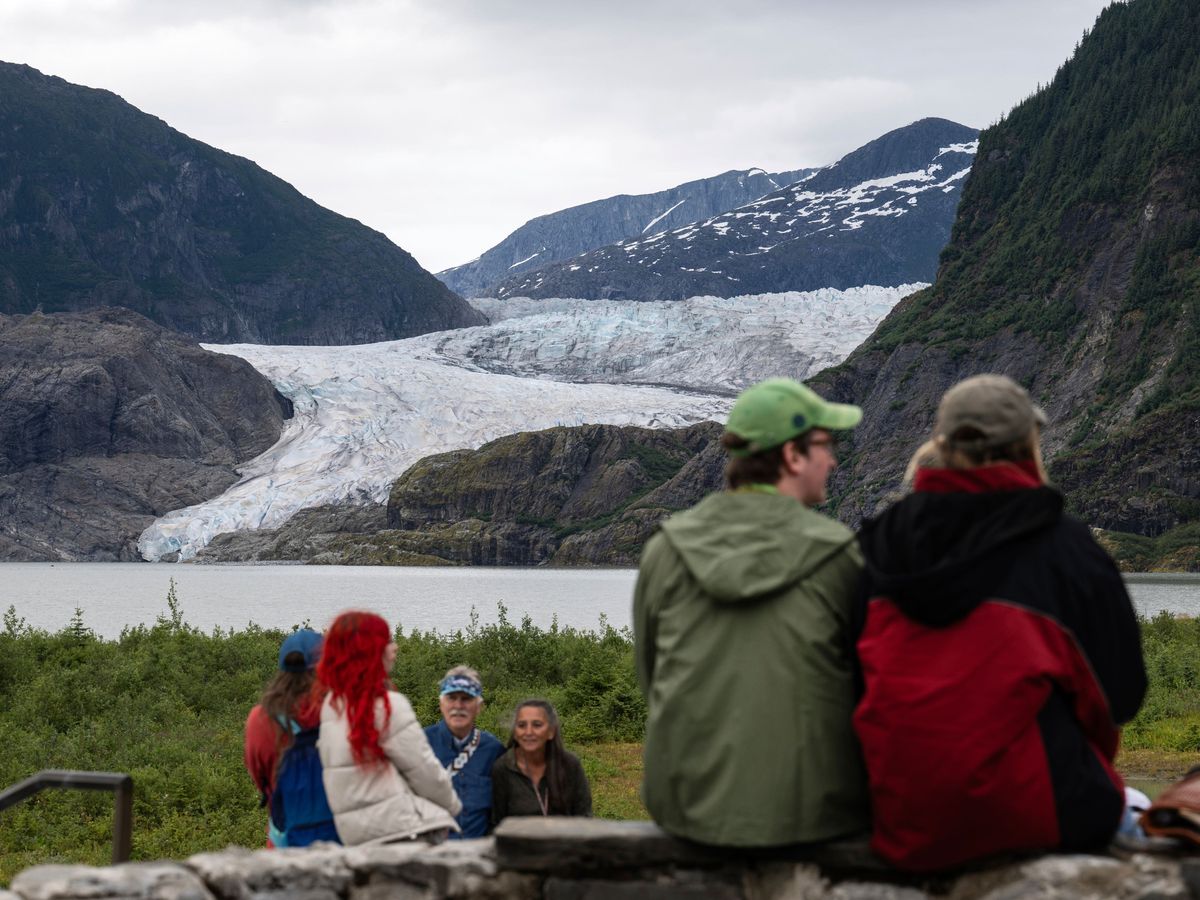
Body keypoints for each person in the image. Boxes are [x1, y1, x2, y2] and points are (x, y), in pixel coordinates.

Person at [854, 374, 1147, 871]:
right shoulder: (1066, 548)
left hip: (900, 817)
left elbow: (850, 680)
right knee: (1143, 810)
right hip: (1038, 813)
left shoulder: (879, 544)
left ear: (940, 443)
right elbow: (1122, 693)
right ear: (1029, 443)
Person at [633, 376, 869, 847]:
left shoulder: (667, 550)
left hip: (689, 809)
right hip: (812, 813)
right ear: (792, 456)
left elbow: (650, 677)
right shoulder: (838, 555)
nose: (833, 459)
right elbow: (866, 687)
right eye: (823, 444)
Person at [315, 610, 462, 844]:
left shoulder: (331, 706)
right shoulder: (388, 706)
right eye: (389, 641)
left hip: (355, 837)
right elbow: (425, 772)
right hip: (401, 831)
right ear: (372, 650)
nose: (396, 648)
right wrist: (453, 806)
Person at [243, 628, 328, 847]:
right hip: (339, 836)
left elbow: (260, 778)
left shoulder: (260, 719)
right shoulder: (338, 709)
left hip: (286, 839)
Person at [423, 665, 506, 838]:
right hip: (430, 855)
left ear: (479, 706)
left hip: (479, 855)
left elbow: (502, 809)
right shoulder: (420, 744)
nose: (458, 706)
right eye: (451, 698)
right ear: (441, 704)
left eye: (466, 698)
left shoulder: (493, 749)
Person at [491, 699, 591, 823]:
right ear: (515, 733)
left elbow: (584, 817)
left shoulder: (570, 765)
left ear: (551, 732)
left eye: (537, 725)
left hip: (565, 840)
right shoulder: (503, 768)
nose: (528, 732)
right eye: (522, 725)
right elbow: (496, 824)